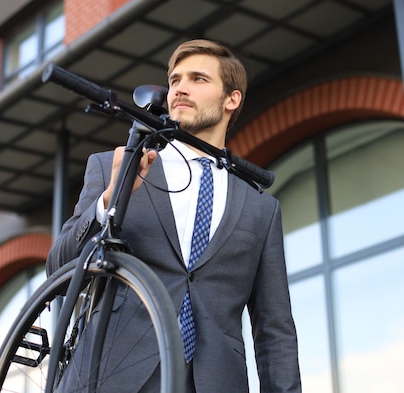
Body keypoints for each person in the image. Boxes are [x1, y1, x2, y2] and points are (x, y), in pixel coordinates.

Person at [46, 39, 301, 393]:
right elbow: (58, 267)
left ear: (232, 99)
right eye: (175, 79)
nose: (180, 88)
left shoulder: (261, 208)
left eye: (198, 79)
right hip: (111, 377)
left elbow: (275, 331)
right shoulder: (113, 167)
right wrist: (111, 197)